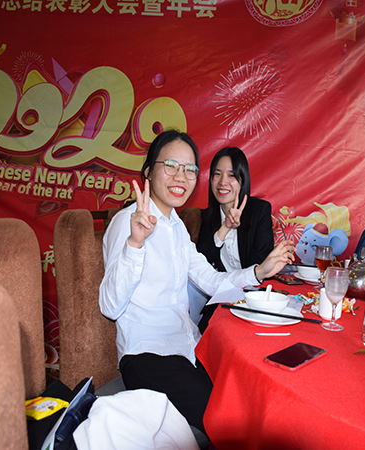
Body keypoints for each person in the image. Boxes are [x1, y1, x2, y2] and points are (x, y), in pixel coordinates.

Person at [99, 130, 295, 434]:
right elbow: (110, 307)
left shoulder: (176, 226)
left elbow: (212, 281)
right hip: (148, 356)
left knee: (255, 395)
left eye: (189, 169)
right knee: (231, 424)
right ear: (148, 171)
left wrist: (259, 271)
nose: (181, 176)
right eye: (171, 166)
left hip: (188, 348)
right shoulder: (128, 222)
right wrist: (135, 245)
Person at [195, 147, 275, 331]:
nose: (222, 182)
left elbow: (261, 264)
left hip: (255, 298)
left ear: (242, 180)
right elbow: (200, 264)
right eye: (217, 174)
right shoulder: (206, 217)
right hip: (221, 298)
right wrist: (224, 228)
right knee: (206, 331)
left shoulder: (259, 211)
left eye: (231, 175)